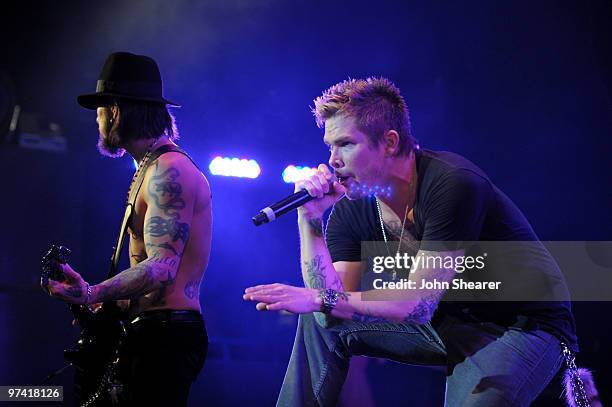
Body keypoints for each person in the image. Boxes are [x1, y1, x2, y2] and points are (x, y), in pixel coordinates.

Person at [244, 77, 578, 406]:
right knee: (318, 317)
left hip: (516, 327)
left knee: (320, 301)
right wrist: (311, 221)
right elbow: (333, 313)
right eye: (330, 145)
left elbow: (415, 304)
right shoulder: (353, 204)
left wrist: (318, 297)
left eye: (346, 144)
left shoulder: (452, 184)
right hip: (441, 322)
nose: (333, 160)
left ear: (389, 142)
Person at [44, 52, 211, 406]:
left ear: (116, 111)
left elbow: (162, 268)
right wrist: (106, 300)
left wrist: (91, 293)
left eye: (101, 110)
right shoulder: (150, 168)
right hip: (153, 331)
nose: (98, 120)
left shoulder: (169, 171)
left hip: (166, 335)